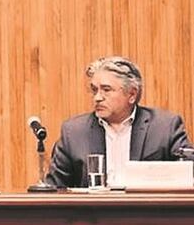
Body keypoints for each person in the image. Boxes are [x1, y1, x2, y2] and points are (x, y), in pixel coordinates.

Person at [46, 56, 192, 188]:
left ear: (132, 94)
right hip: (92, 215)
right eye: (94, 90)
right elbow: (55, 189)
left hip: (147, 214)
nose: (97, 97)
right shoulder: (74, 132)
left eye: (106, 90)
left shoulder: (164, 127)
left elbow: (188, 175)